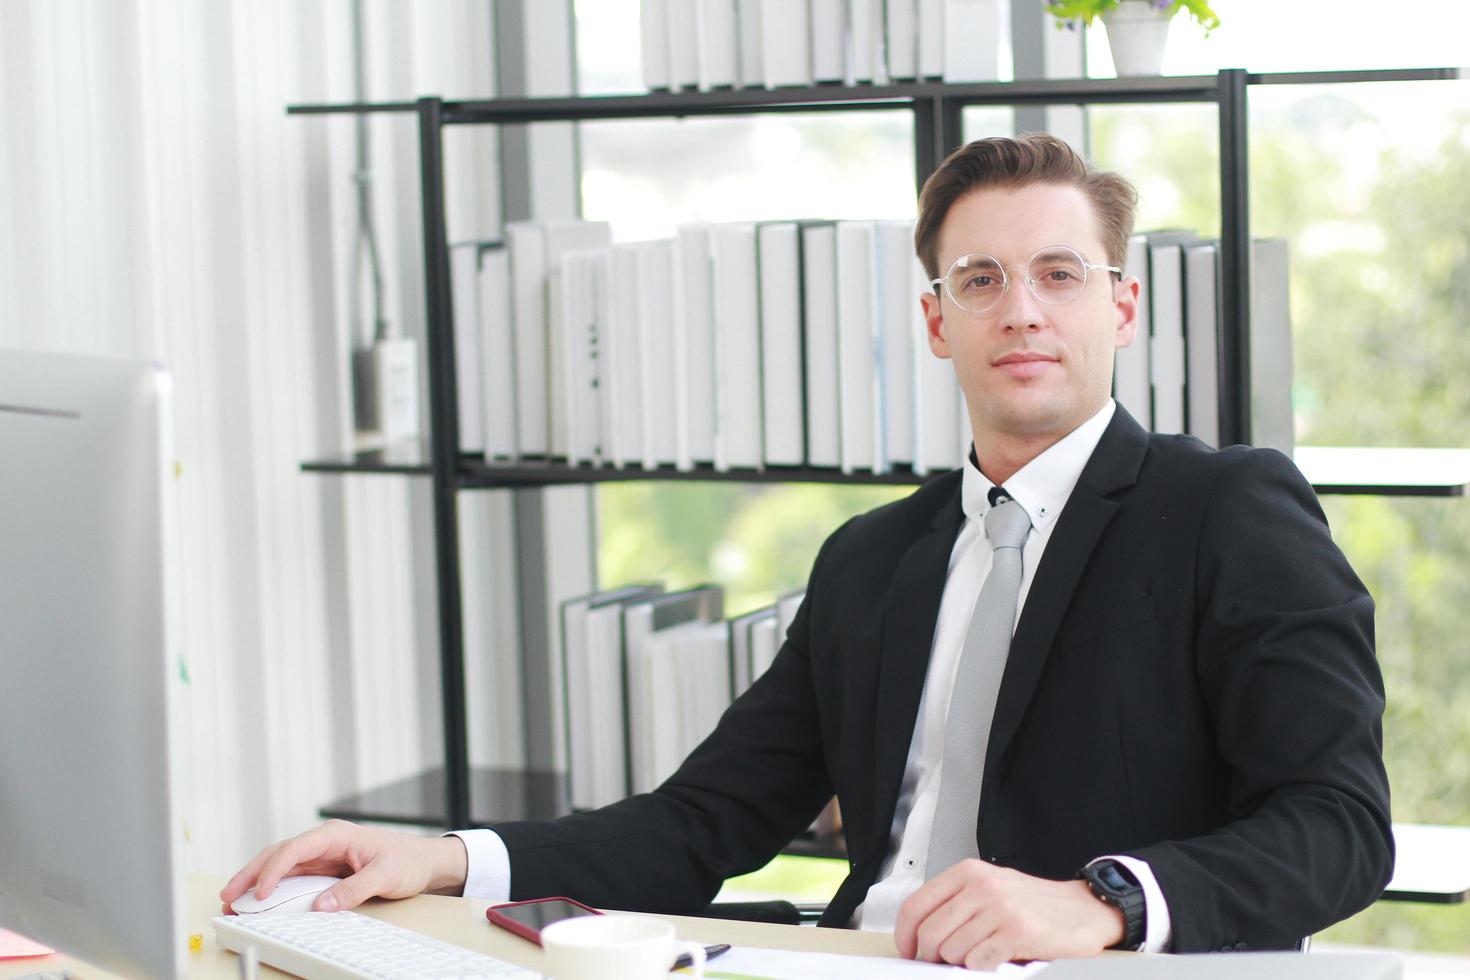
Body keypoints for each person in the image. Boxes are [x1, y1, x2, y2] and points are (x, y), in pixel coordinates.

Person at [223, 134, 1393, 971]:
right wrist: (441, 856)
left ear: (1122, 307)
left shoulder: (1227, 509)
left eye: (1059, 275)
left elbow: (1339, 824)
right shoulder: (872, 560)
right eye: (980, 281)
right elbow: (698, 825)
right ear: (937, 321)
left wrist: (1098, 904)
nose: (1022, 311)